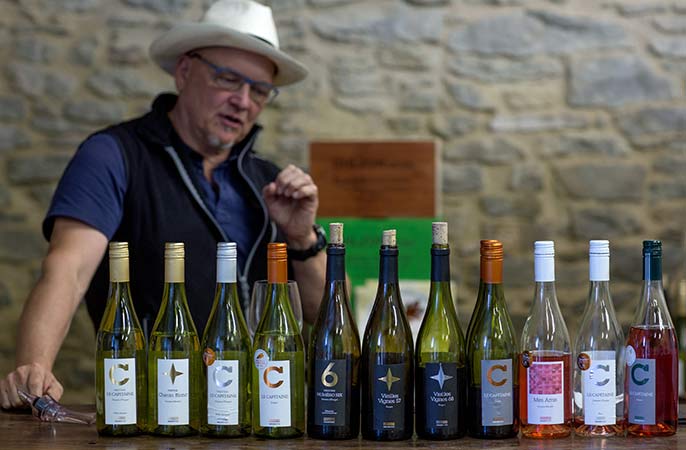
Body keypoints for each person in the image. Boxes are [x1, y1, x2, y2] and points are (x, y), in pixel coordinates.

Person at [0, 0, 326, 409]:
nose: (243, 101)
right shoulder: (114, 155)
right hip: (157, 410)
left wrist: (302, 238)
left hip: (261, 412)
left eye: (259, 91)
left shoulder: (268, 180)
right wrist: (34, 367)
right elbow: (68, 268)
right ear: (184, 72)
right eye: (228, 79)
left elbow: (323, 314)